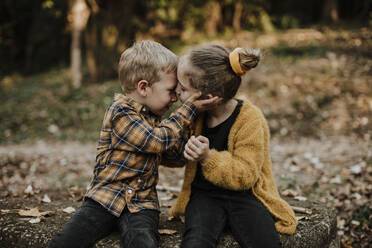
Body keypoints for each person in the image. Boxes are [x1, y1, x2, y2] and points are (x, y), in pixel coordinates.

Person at [48, 40, 221, 248]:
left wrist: (191, 144)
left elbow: (172, 156)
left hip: (142, 204)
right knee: (67, 241)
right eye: (170, 91)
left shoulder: (156, 120)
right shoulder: (120, 112)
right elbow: (155, 141)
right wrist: (189, 110)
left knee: (143, 243)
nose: (175, 98)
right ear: (143, 87)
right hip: (104, 200)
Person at [169, 44, 298, 248]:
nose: (176, 91)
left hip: (245, 196)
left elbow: (246, 175)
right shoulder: (192, 116)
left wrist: (208, 158)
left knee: (265, 241)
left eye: (183, 89)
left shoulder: (250, 120)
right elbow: (172, 155)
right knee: (196, 241)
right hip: (204, 196)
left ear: (209, 98)